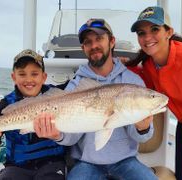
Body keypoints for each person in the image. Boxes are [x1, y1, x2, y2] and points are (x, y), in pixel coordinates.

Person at [34, 18, 158, 180]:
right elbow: (72, 136)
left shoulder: (132, 82)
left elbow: (141, 137)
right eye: (88, 42)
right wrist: (57, 135)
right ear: (83, 48)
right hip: (87, 163)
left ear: (112, 41)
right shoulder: (76, 85)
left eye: (99, 39)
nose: (94, 46)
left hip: (126, 161)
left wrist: (143, 128)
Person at [126, 6, 182, 180]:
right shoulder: (150, 65)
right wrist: (121, 65)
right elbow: (146, 83)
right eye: (141, 33)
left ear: (169, 32)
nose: (147, 37)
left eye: (154, 29)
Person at [0, 49, 66, 180]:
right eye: (22, 74)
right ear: (14, 77)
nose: (29, 80)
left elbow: (79, 84)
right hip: (16, 167)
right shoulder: (5, 105)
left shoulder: (58, 95)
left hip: (51, 163)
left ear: (44, 77)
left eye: (34, 74)